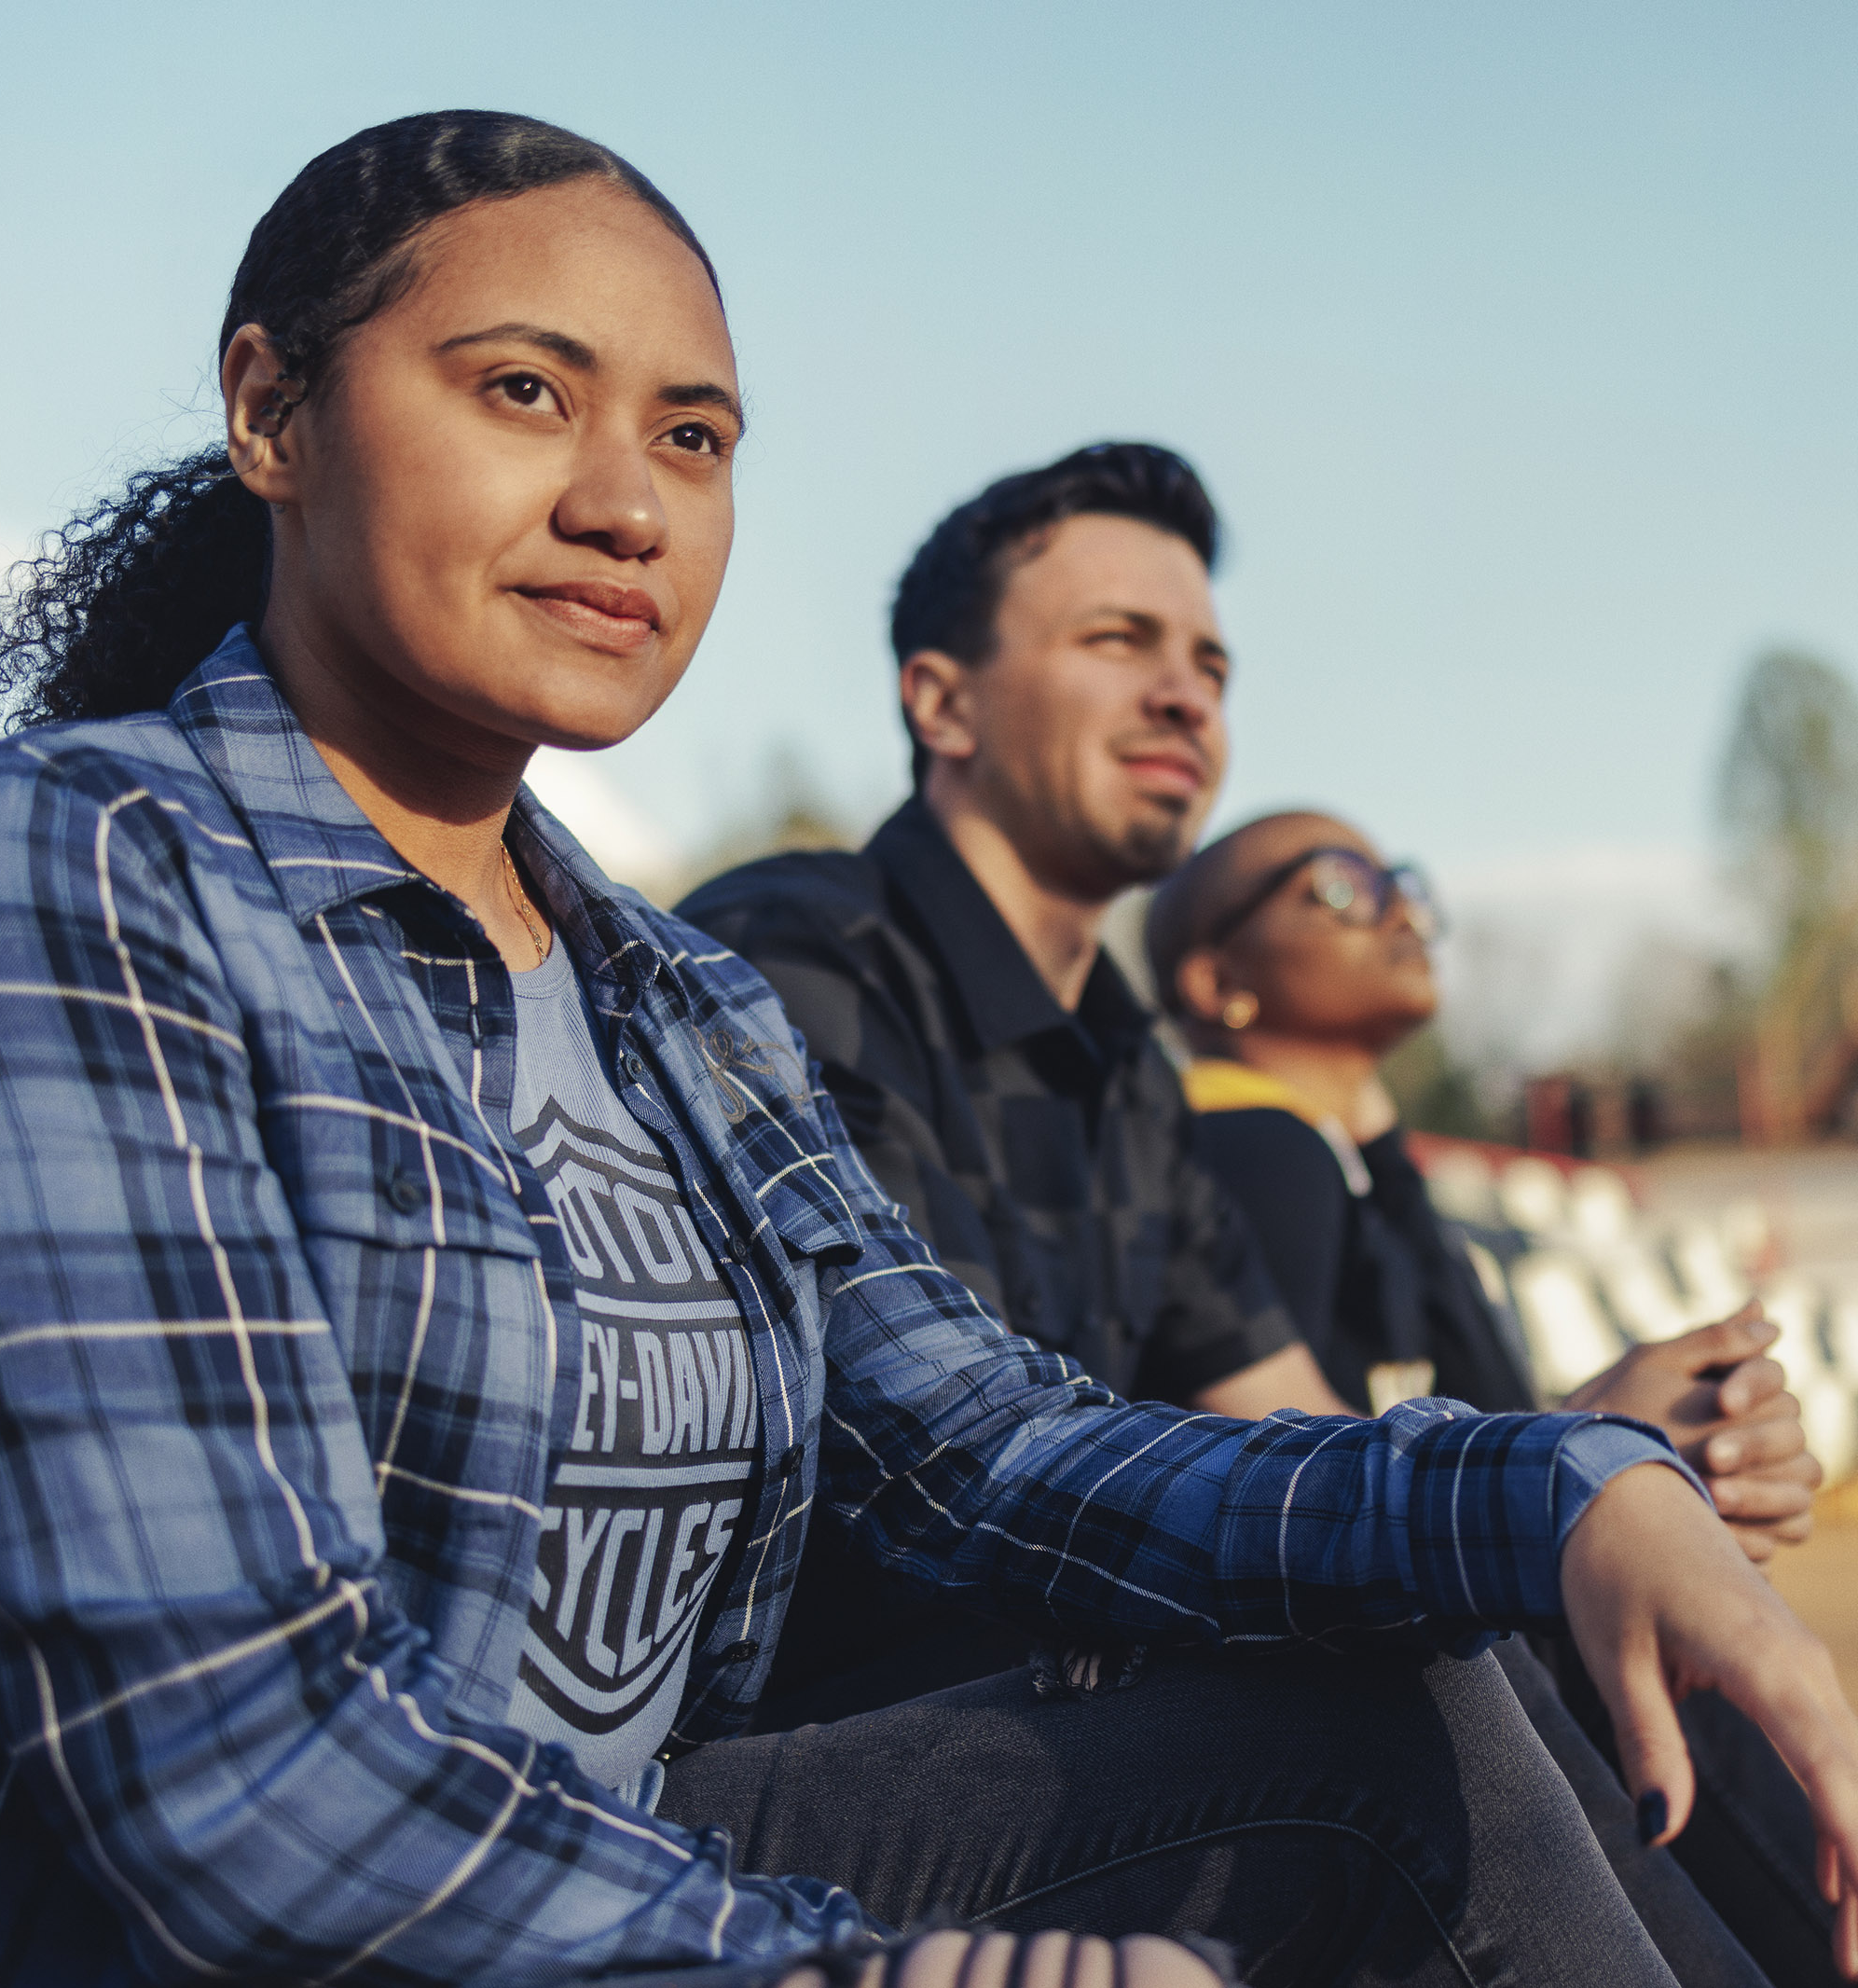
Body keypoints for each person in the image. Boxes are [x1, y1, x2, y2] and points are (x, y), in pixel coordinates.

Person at [0, 121, 1852, 1988]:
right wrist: (852, 1965)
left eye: (693, 437)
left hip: (601, 1888)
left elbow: (1000, 1454)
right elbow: (224, 1753)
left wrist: (1556, 1486)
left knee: (1417, 1701)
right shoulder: (63, 867)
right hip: (97, 1931)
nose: (629, 500)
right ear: (271, 410)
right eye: (524, 390)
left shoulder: (669, 1003)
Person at [679, 444, 1842, 1985]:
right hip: (838, 1722)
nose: (1187, 694)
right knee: (1402, 1678)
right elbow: (961, 1471)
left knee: (1522, 1588)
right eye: (1119, 641)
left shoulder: (1133, 1081)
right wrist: (1531, 1484)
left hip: (1052, 1688)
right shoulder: (793, 960)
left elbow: (1289, 1426)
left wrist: (1576, 1449)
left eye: (1209, 659)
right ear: (941, 700)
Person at [1149, 807, 1836, 1983]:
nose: (1401, 906)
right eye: (1340, 885)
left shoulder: (1342, 1157)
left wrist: (1646, 1459)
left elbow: (1481, 1412)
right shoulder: (1256, 1154)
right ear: (1219, 978)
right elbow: (1296, 1482)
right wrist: (1590, 1443)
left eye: (1402, 879)